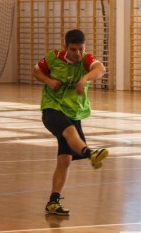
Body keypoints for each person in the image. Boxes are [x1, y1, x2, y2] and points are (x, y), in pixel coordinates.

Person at [33, 29, 109, 216]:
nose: (77, 53)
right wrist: (48, 81)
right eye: (73, 49)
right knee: (68, 131)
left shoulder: (86, 60)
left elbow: (101, 69)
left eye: (80, 49)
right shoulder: (53, 58)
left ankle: (53, 202)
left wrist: (84, 78)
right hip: (52, 109)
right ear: (65, 46)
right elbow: (36, 71)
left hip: (73, 112)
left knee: (65, 159)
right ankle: (90, 153)